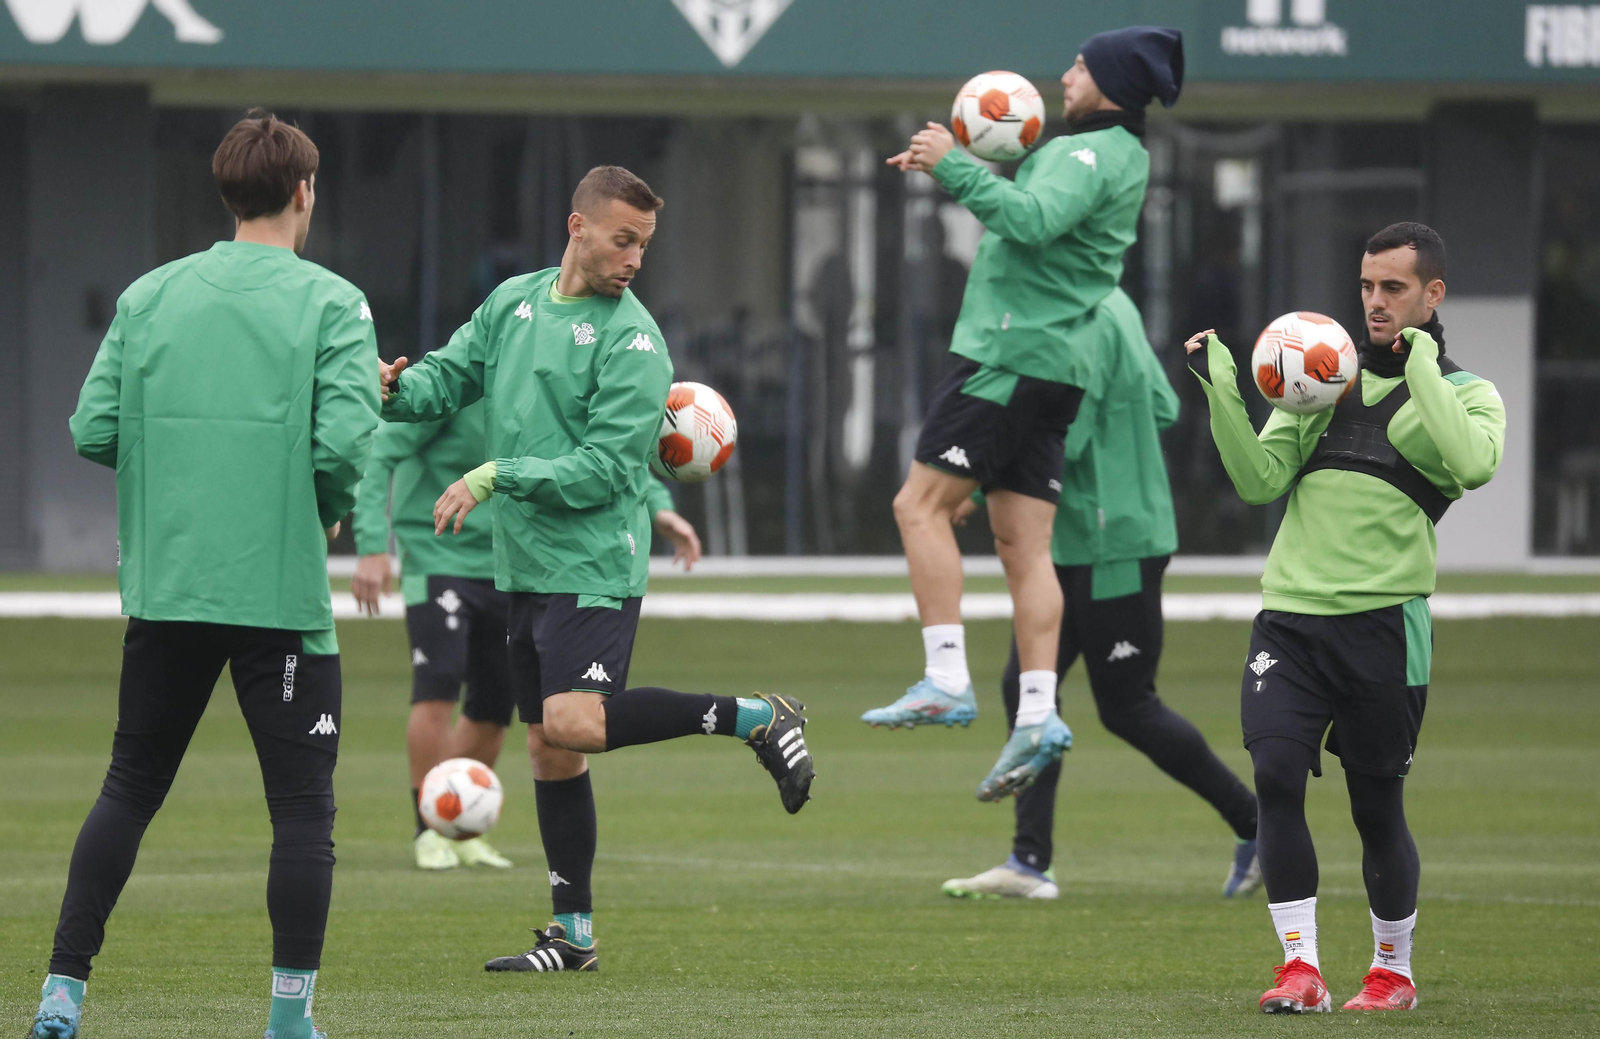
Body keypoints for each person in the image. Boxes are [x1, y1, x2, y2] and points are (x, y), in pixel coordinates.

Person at [378, 165, 815, 974]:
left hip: (594, 562)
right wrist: (392, 389)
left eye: (644, 245)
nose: (634, 258)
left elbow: (608, 471)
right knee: (549, 746)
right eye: (623, 240)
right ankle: (573, 936)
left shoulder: (635, 341)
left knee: (577, 720)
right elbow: (449, 374)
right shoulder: (515, 301)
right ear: (577, 228)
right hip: (524, 563)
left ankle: (758, 714)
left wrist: (495, 475)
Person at [35, 111, 378, 1039]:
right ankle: (289, 1020)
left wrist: (183, 475)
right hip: (279, 597)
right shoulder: (333, 302)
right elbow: (348, 441)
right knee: (303, 811)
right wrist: (327, 501)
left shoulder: (150, 295)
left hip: (169, 585)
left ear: (228, 193)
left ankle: (62, 992)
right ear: (304, 191)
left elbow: (92, 429)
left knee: (129, 786)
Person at [1184, 222, 1505, 1013]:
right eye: (1366, 286)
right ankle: (1301, 970)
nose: (1375, 302)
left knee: (1375, 806)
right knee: (1274, 775)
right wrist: (1223, 388)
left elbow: (1470, 463)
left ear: (1432, 294)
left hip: (1384, 628)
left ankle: (1391, 974)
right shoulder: (1320, 379)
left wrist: (1422, 360)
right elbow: (1260, 482)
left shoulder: (1468, 394)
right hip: (1289, 622)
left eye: (1393, 288)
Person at [867, 27, 1187, 797]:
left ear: (1111, 82)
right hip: (1054, 368)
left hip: (1008, 355)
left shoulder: (1087, 153)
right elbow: (1039, 216)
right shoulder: (1118, 157)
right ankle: (1037, 713)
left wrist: (954, 163)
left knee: (918, 507)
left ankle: (945, 675)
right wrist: (960, 168)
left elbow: (1032, 218)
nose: (1067, 74)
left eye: (1080, 65)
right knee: (1023, 545)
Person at [941, 290, 1262, 898]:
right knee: (1027, 684)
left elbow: (1066, 437)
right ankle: (1029, 862)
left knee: (1129, 706)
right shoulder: (1114, 303)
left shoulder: (1078, 315)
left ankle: (1257, 825)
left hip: (1115, 545)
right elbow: (1162, 407)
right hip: (1077, 541)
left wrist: (971, 490)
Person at [349, 407, 703, 871]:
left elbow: (609, 456)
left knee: (494, 707)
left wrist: (661, 511)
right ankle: (427, 830)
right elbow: (379, 453)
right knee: (438, 683)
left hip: (511, 563)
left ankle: (456, 826)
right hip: (438, 555)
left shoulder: (543, 387)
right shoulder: (454, 384)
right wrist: (373, 544)